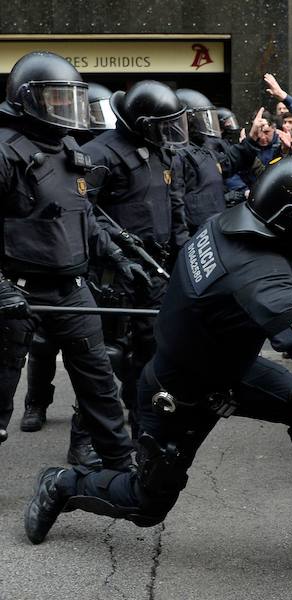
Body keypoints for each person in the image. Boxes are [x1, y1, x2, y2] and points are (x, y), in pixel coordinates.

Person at [23, 157, 292, 590]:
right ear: (287, 219)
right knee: (145, 504)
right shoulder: (258, 273)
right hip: (180, 390)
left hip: (231, 365)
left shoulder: (233, 222)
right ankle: (63, 484)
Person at [0, 51, 140, 470]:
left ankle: (118, 462)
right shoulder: (5, 152)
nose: (65, 110)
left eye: (69, 100)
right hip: (18, 292)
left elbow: (83, 215)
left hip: (73, 289)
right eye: (55, 100)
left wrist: (116, 255)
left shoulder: (69, 148)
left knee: (99, 381)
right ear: (27, 99)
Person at [83, 80, 191, 438]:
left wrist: (180, 255)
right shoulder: (100, 153)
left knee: (153, 347)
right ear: (142, 123)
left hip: (155, 267)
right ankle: (86, 437)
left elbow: (173, 206)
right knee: (108, 357)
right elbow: (84, 212)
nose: (171, 132)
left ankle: (143, 418)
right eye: (164, 124)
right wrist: (115, 254)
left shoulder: (160, 150)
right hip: (116, 271)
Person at [170, 88, 262, 234]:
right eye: (201, 118)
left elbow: (228, 163)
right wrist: (183, 240)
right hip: (196, 234)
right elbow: (176, 204)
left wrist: (251, 141)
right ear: (187, 121)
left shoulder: (202, 150)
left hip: (213, 229)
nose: (206, 124)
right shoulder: (176, 155)